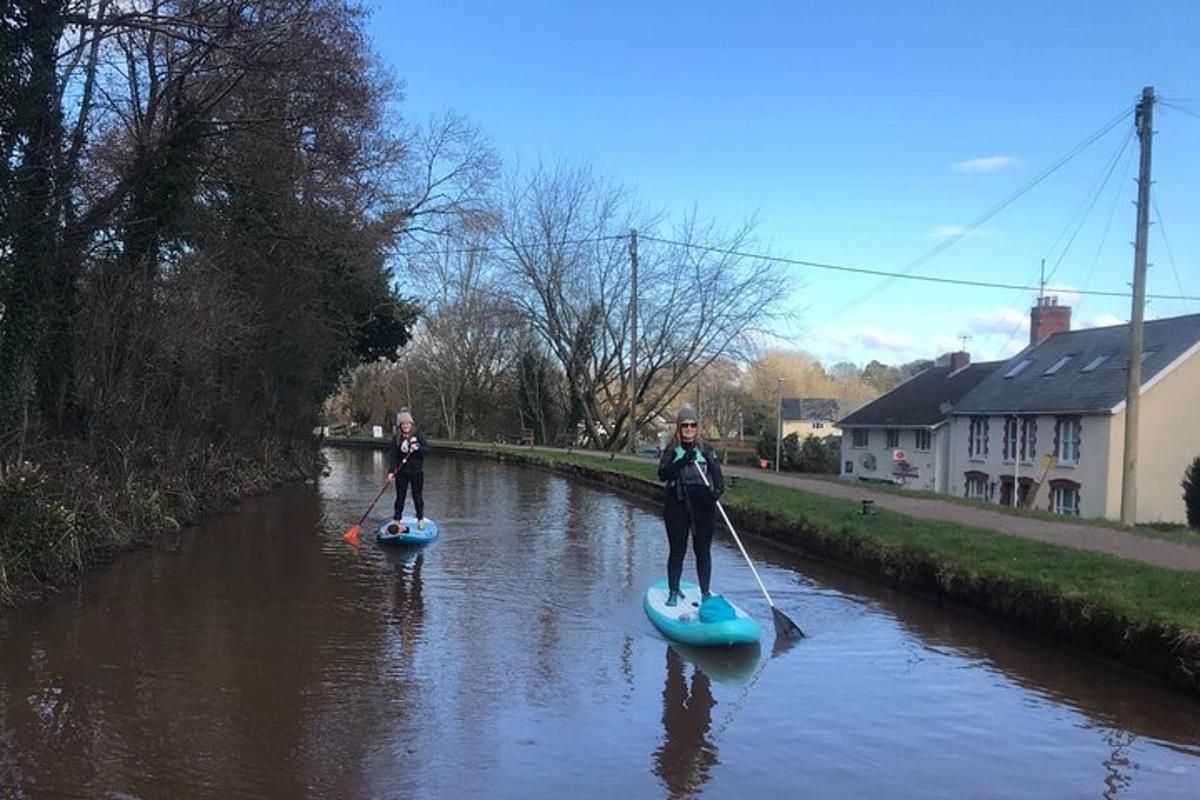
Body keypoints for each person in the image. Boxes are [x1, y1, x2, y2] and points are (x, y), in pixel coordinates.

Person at [657, 404, 725, 607]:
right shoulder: (672, 449)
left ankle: (705, 592)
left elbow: (717, 475)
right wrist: (682, 461)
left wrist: (717, 491)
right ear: (679, 428)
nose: (688, 429)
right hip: (677, 502)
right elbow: (663, 474)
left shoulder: (706, 449)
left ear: (697, 427)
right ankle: (673, 590)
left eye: (692, 425)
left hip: (702, 504)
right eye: (684, 425)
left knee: (702, 549)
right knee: (677, 549)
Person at [390, 409, 429, 529]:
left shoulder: (419, 435)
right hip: (401, 472)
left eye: (408, 423)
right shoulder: (397, 437)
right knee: (400, 496)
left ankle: (420, 518)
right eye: (403, 424)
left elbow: (427, 451)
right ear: (400, 426)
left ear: (411, 424)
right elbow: (393, 455)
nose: (406, 426)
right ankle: (397, 519)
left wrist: (418, 448)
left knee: (417, 496)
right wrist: (391, 472)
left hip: (416, 472)